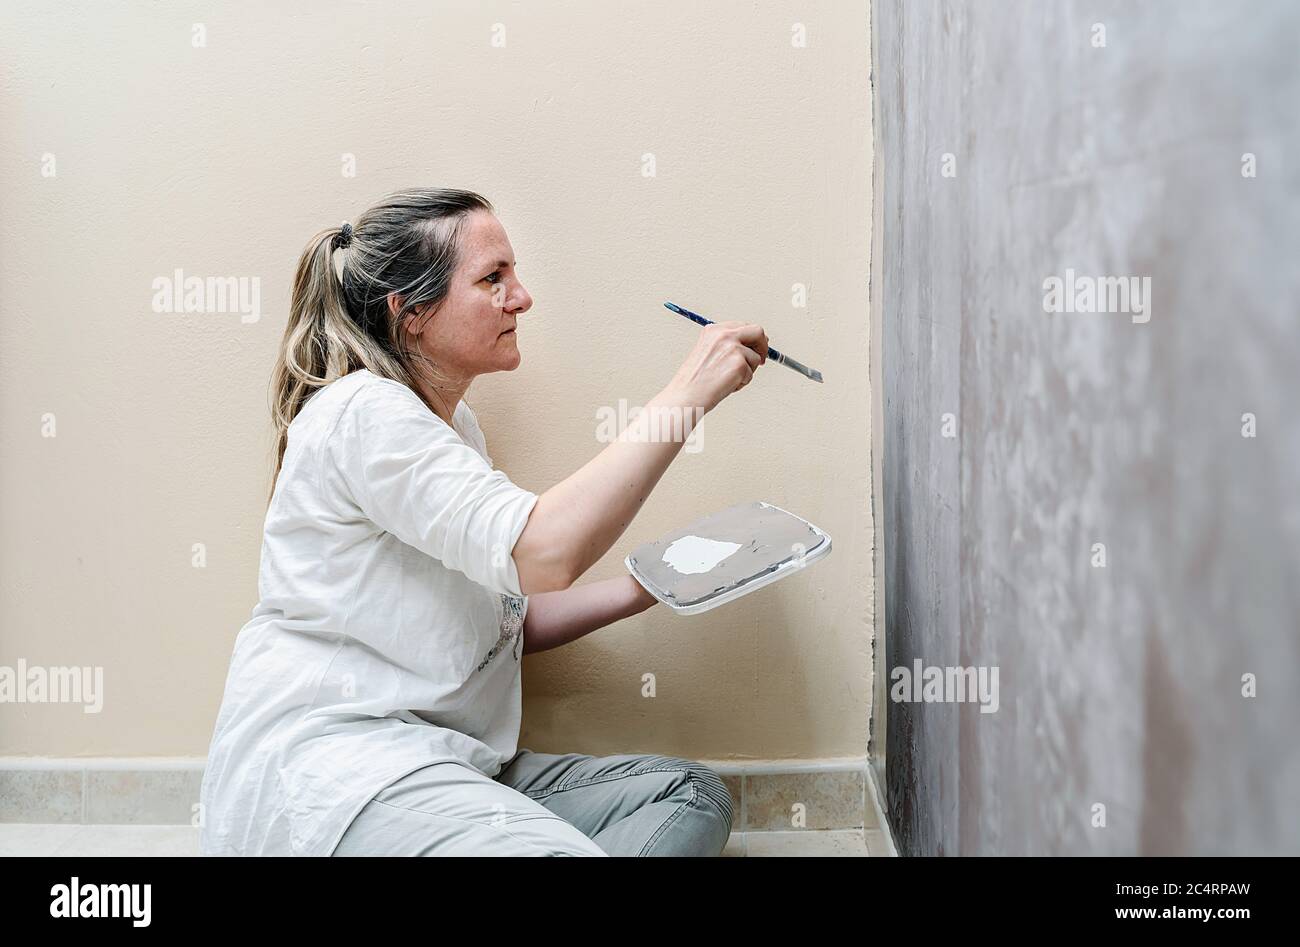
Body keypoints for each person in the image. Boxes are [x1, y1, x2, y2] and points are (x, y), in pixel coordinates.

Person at [199, 187, 769, 856]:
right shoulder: (366, 416)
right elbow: (546, 550)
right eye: (492, 279)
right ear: (410, 313)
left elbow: (499, 617)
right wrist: (689, 392)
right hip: (347, 775)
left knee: (689, 797)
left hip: (453, 762)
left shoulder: (451, 427)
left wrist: (651, 583)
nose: (521, 297)